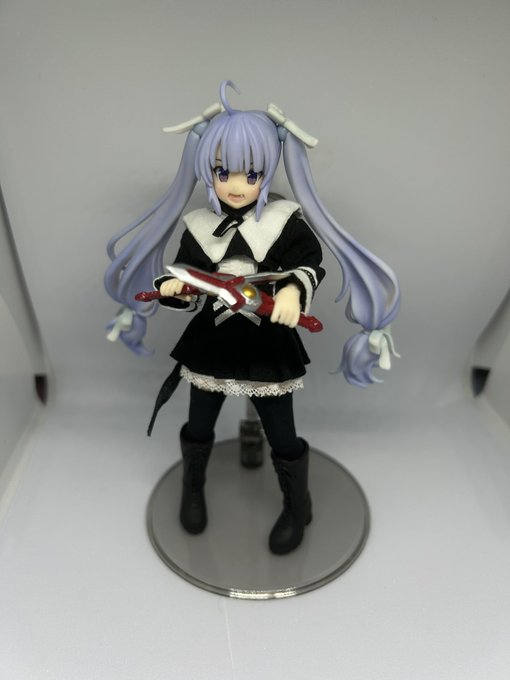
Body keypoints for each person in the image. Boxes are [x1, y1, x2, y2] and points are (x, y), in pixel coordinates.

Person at [104, 81, 400, 554]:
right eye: (223, 172)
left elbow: (309, 263)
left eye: (251, 174)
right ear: (208, 171)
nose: (236, 186)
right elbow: (187, 279)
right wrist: (175, 288)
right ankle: (193, 487)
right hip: (212, 342)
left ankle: (297, 504)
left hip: (267, 342)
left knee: (281, 431)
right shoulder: (200, 227)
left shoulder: (283, 220)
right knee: (199, 421)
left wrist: (291, 292)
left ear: (267, 171)